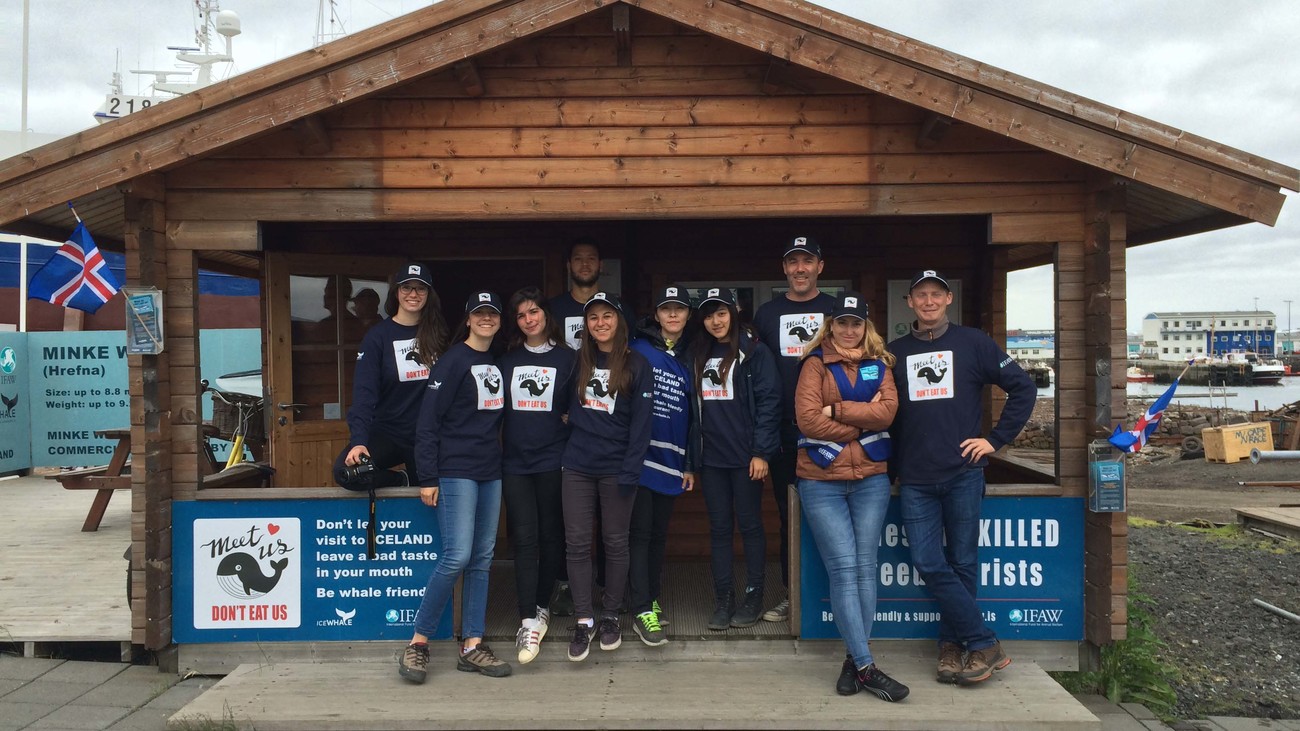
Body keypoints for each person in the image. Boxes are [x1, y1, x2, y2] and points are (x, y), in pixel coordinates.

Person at [887, 269, 1036, 686]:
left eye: (937, 294)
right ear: (909, 302)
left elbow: (1023, 388)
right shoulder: (895, 354)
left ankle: (953, 647)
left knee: (964, 563)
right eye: (921, 295)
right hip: (915, 479)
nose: (929, 301)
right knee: (928, 562)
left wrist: (995, 441)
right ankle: (983, 641)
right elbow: (886, 416)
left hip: (964, 475)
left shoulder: (974, 342)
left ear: (948, 299)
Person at [794, 292, 909, 702]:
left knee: (865, 568)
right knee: (844, 571)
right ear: (830, 326)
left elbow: (889, 414)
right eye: (841, 323)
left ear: (866, 326)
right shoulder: (813, 365)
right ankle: (866, 667)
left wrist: (837, 412)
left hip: (871, 479)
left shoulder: (882, 365)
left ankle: (853, 661)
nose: (848, 329)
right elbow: (807, 419)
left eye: (855, 323)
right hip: (821, 480)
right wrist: (862, 419)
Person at [399, 291, 510, 684]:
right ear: (467, 319)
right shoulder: (452, 360)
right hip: (455, 471)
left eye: (492, 314)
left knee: (482, 557)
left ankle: (472, 645)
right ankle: (418, 643)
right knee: (456, 556)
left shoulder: (492, 363)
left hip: (490, 473)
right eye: (479, 313)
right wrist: (428, 476)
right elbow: (427, 422)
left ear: (499, 320)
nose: (486, 319)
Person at [561, 292, 654, 662]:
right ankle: (584, 619)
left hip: (618, 469)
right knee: (578, 544)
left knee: (616, 543)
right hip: (578, 467)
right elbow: (561, 406)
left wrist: (631, 469)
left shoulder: (637, 363)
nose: (600, 323)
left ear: (619, 321)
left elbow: (642, 424)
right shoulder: (577, 361)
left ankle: (611, 615)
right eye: (594, 317)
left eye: (607, 316)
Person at [750, 235, 836, 623]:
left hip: (831, 431)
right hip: (784, 434)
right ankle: (794, 594)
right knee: (791, 515)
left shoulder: (837, 311)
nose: (800, 268)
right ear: (784, 269)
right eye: (793, 262)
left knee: (831, 515)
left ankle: (833, 595)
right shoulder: (767, 314)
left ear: (820, 266)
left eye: (807, 261)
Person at [689, 287, 780, 631]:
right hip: (711, 459)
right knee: (720, 529)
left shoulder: (754, 351)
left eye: (721, 313)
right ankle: (723, 598)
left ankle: (754, 596)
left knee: (752, 526)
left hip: (746, 460)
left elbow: (769, 402)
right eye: (709, 315)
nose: (716, 321)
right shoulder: (698, 351)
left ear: (735, 311)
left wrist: (761, 452)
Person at [496, 287, 576, 665]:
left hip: (553, 460)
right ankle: (528, 615)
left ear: (546, 314)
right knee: (524, 538)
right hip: (514, 463)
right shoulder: (505, 362)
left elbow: (584, 405)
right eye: (521, 315)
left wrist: (570, 418)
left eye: (534, 312)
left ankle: (543, 605)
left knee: (551, 536)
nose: (529, 320)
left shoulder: (569, 359)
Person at [334, 264, 447, 493]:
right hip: (388, 432)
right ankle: (401, 480)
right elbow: (364, 394)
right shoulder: (378, 337)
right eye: (406, 287)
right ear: (396, 292)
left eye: (420, 288)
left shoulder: (438, 334)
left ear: (428, 294)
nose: (413, 294)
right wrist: (359, 441)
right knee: (347, 473)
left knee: (430, 492)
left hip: (426, 436)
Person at [626, 285, 696, 647]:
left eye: (679, 309)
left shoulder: (691, 354)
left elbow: (693, 413)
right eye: (666, 309)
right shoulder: (637, 350)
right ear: (656, 314)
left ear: (687, 315)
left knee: (657, 536)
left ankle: (650, 597)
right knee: (638, 534)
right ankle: (640, 608)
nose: (673, 315)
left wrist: (688, 463)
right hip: (640, 458)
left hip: (672, 460)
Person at [548, 238, 603, 350]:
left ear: (600, 265)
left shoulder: (618, 308)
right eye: (578, 259)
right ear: (569, 266)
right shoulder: (550, 310)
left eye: (591, 258)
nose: (585, 264)